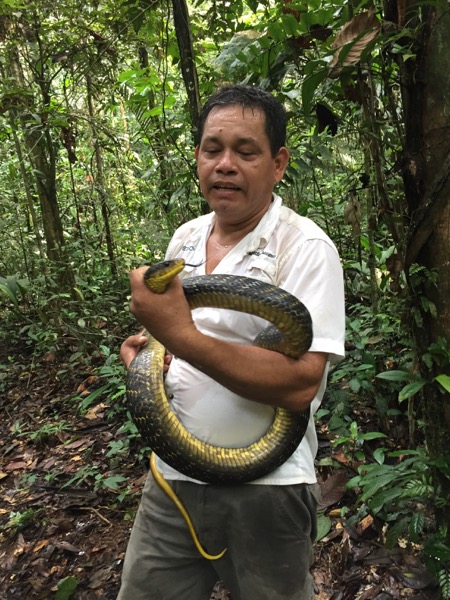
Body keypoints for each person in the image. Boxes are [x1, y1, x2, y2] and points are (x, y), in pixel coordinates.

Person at [118, 84, 345, 600]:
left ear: (278, 162)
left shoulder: (305, 248)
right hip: (171, 480)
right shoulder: (185, 238)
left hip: (267, 491)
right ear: (197, 157)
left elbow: (299, 386)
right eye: (212, 149)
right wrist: (149, 353)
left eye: (246, 152)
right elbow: (168, 339)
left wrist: (180, 335)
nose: (225, 165)